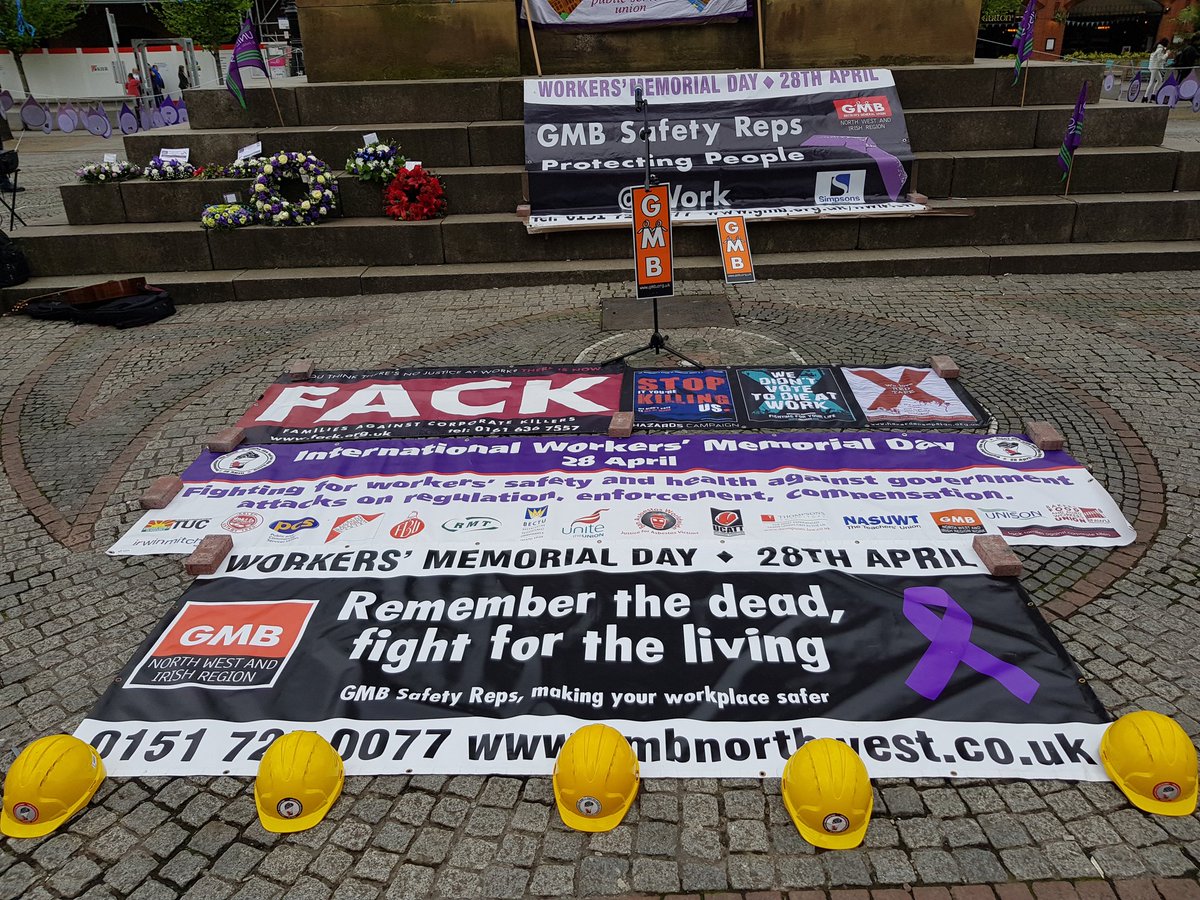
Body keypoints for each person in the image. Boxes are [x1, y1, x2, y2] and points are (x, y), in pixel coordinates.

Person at [1145, 38, 1170, 102]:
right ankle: (1146, 96)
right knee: (1152, 82)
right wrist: (1167, 54)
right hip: (1155, 67)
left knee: (1159, 80)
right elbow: (1160, 59)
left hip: (1153, 66)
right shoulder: (1160, 49)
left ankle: (1152, 95)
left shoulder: (1157, 48)